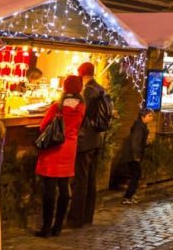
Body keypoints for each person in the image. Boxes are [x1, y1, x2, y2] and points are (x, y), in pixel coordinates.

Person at [35, 75, 86, 238]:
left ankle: (46, 228)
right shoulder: (81, 107)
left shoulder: (57, 107)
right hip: (69, 148)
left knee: (49, 190)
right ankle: (58, 227)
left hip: (54, 149)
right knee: (64, 189)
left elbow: (43, 126)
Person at [69, 61, 106, 227]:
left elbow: (81, 116)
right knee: (91, 179)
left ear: (81, 73)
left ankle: (76, 219)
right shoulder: (100, 88)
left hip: (85, 140)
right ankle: (87, 216)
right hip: (97, 139)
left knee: (81, 179)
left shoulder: (88, 91)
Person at [121, 108, 154, 205]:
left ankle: (131, 195)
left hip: (134, 155)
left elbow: (140, 142)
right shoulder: (139, 127)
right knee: (136, 175)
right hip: (133, 155)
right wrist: (136, 156)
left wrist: (147, 143)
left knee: (136, 175)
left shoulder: (142, 126)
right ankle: (128, 196)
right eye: (149, 116)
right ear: (143, 117)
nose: (151, 118)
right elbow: (135, 142)